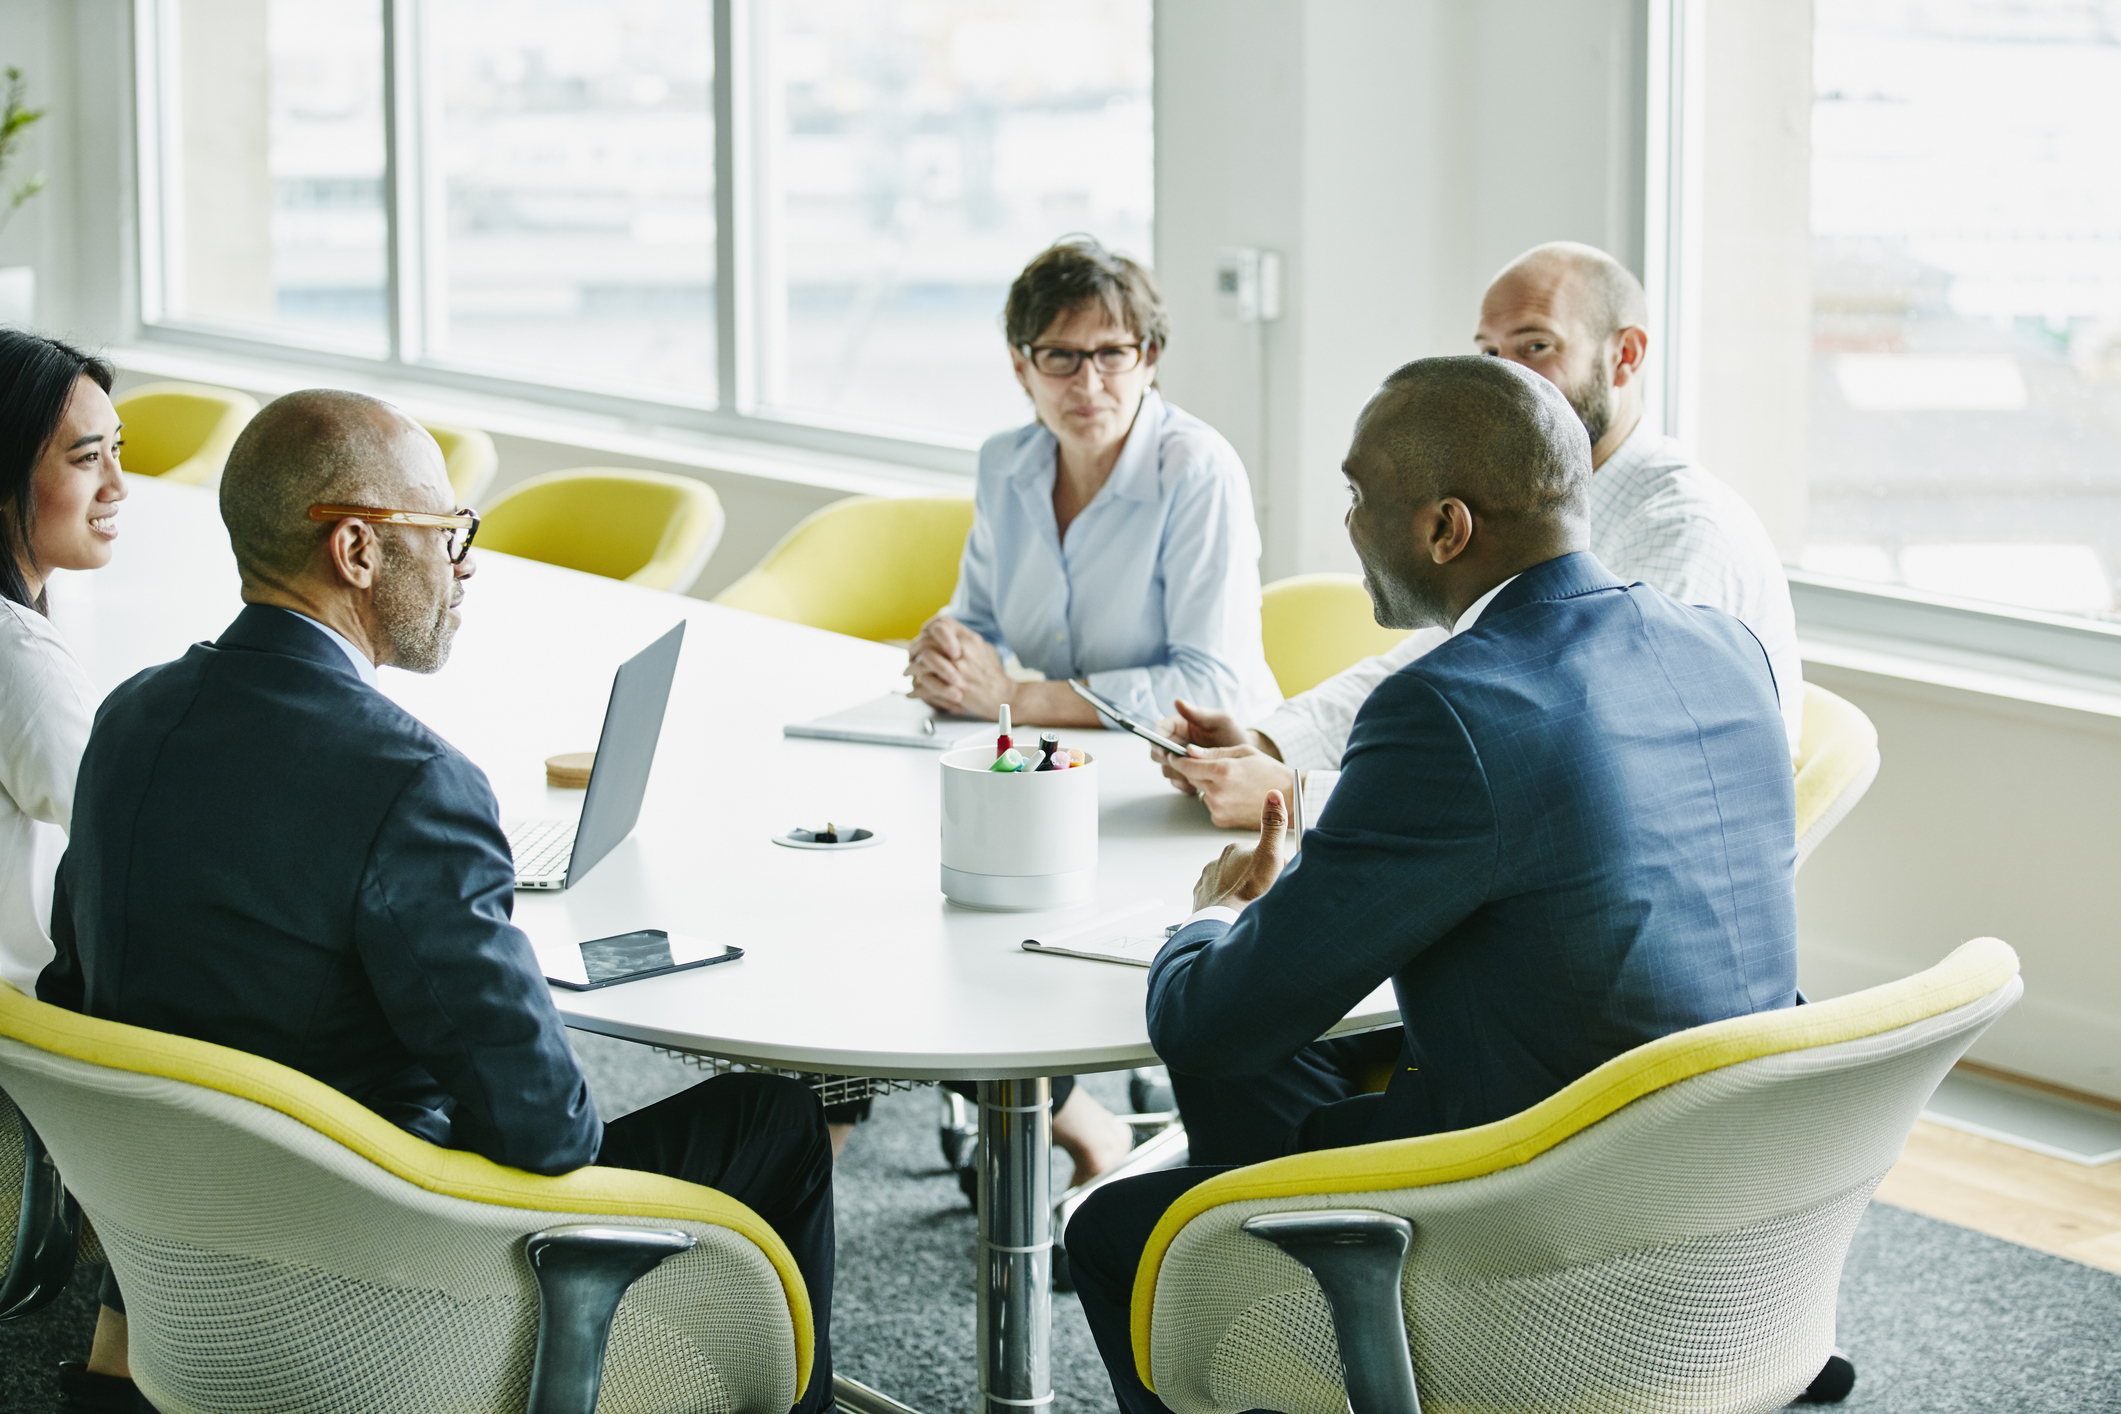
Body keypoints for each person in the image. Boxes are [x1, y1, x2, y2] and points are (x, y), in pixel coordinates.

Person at [38, 390, 836, 1414]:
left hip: (190, 1260)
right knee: (776, 1118)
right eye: (449, 532)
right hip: (389, 1266)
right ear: (359, 550)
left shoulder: (131, 717)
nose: (466, 565)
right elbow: (549, 1134)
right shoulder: (410, 780)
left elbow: (79, 989)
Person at [1066, 356, 1799, 1414]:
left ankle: (1297, 1298)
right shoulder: (1724, 647)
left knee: (1119, 1230)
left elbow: (1205, 1024)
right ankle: (1299, 1298)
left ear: (1447, 528)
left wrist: (1219, 911)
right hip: (1724, 1207)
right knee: (1270, 1082)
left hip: (1541, 1230)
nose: (1350, 523)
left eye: (1363, 497)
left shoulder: (1448, 707)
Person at [1155, 241, 1803, 829]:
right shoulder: (1528, 505)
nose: (1503, 378)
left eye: (1535, 346)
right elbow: (1431, 661)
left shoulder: (1680, 533)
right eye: (1489, 353)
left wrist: (1296, 796)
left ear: (1624, 355)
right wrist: (1266, 744)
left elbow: (1564, 775)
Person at [881, 236, 1280, 1185]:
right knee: (938, 915)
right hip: (1039, 783)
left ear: (1149, 359)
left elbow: (1207, 683)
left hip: (1179, 793)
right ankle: (1065, 1113)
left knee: (1001, 940)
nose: (1088, 381)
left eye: (1114, 353)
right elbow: (980, 619)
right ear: (1021, 365)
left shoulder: (1196, 470)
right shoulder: (1007, 464)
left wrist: (1015, 695)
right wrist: (948, 648)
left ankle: (1068, 1117)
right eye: (1060, 355)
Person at [0, 332, 136, 1411]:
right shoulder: (20, 663)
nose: (119, 487)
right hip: (31, 1047)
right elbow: (139, 830)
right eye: (87, 458)